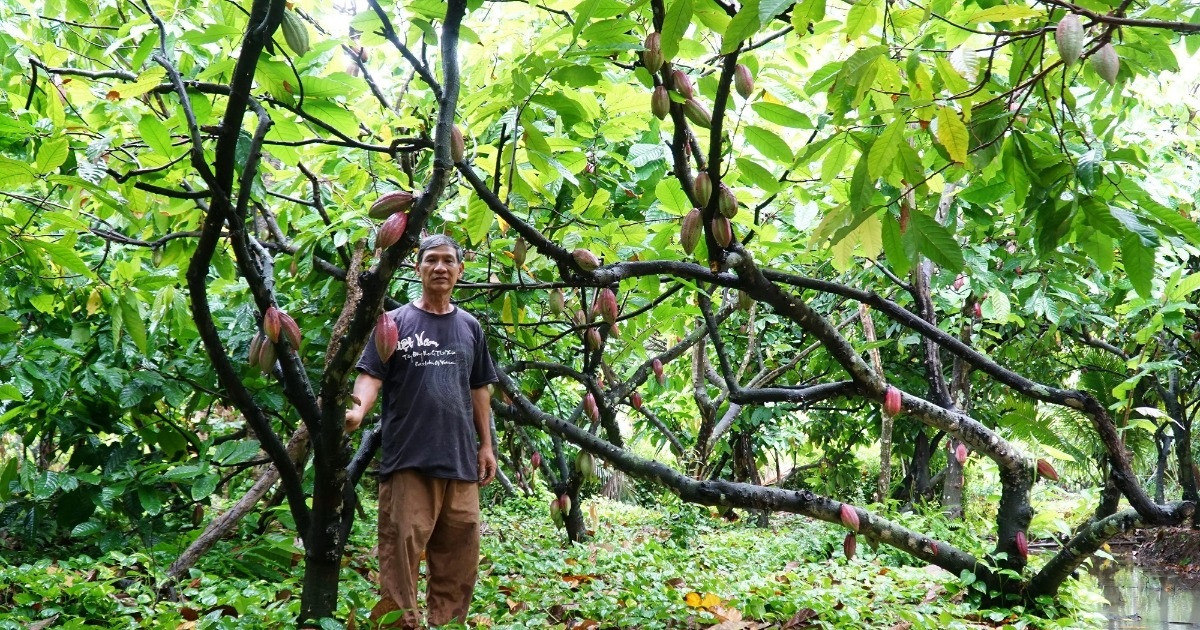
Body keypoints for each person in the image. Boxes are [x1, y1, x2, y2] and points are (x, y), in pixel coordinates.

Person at [345, 234, 498, 628]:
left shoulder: (470, 327)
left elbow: (479, 389)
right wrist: (357, 411)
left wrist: (487, 445)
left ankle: (447, 624)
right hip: (408, 460)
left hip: (460, 462)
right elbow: (370, 375)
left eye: (449, 261)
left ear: (461, 271)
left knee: (459, 561)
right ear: (417, 269)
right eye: (431, 260)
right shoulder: (394, 324)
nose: (440, 268)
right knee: (400, 559)